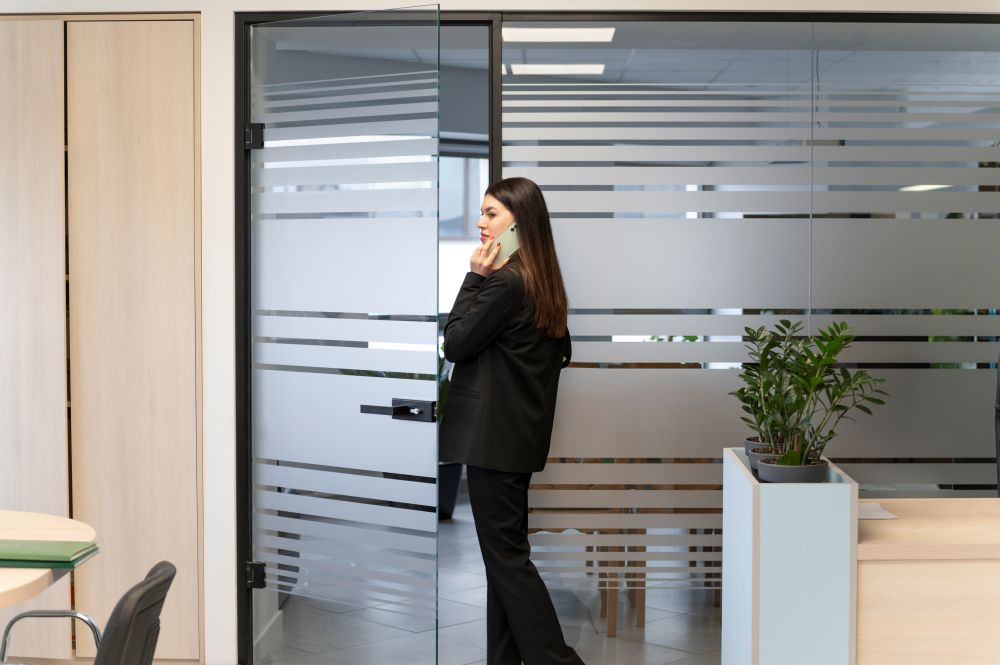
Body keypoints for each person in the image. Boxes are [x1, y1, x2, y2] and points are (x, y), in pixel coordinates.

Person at [440, 177, 583, 665]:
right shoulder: (543, 282)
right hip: (517, 442)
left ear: (519, 224)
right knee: (504, 560)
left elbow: (455, 343)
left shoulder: (503, 282)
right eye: (481, 213)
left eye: (491, 215)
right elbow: (558, 357)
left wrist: (474, 278)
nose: (481, 224)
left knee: (507, 561)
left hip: (492, 444)